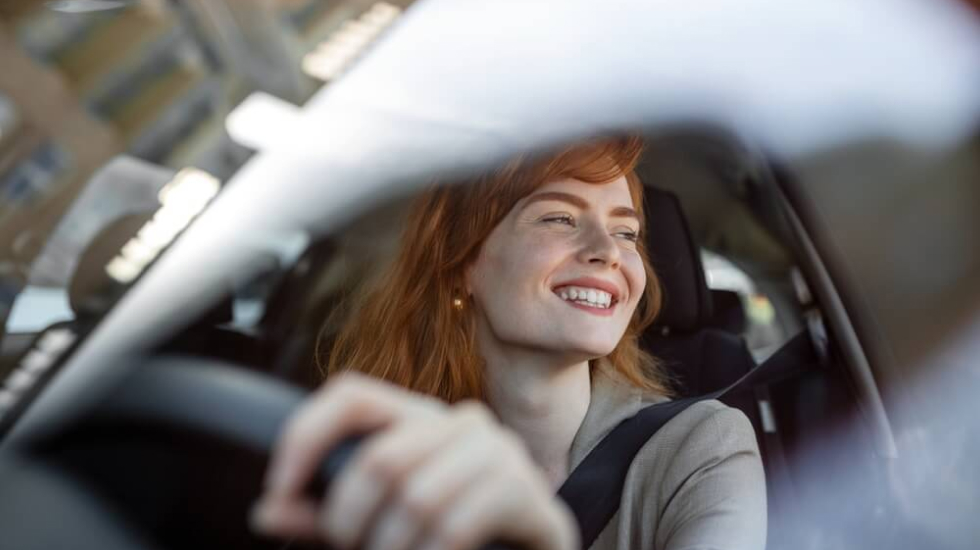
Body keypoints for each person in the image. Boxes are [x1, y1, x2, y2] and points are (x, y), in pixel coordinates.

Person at [250, 137, 767, 550]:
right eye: (560, 217)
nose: (608, 251)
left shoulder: (703, 446)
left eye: (626, 233)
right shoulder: (383, 455)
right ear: (463, 267)